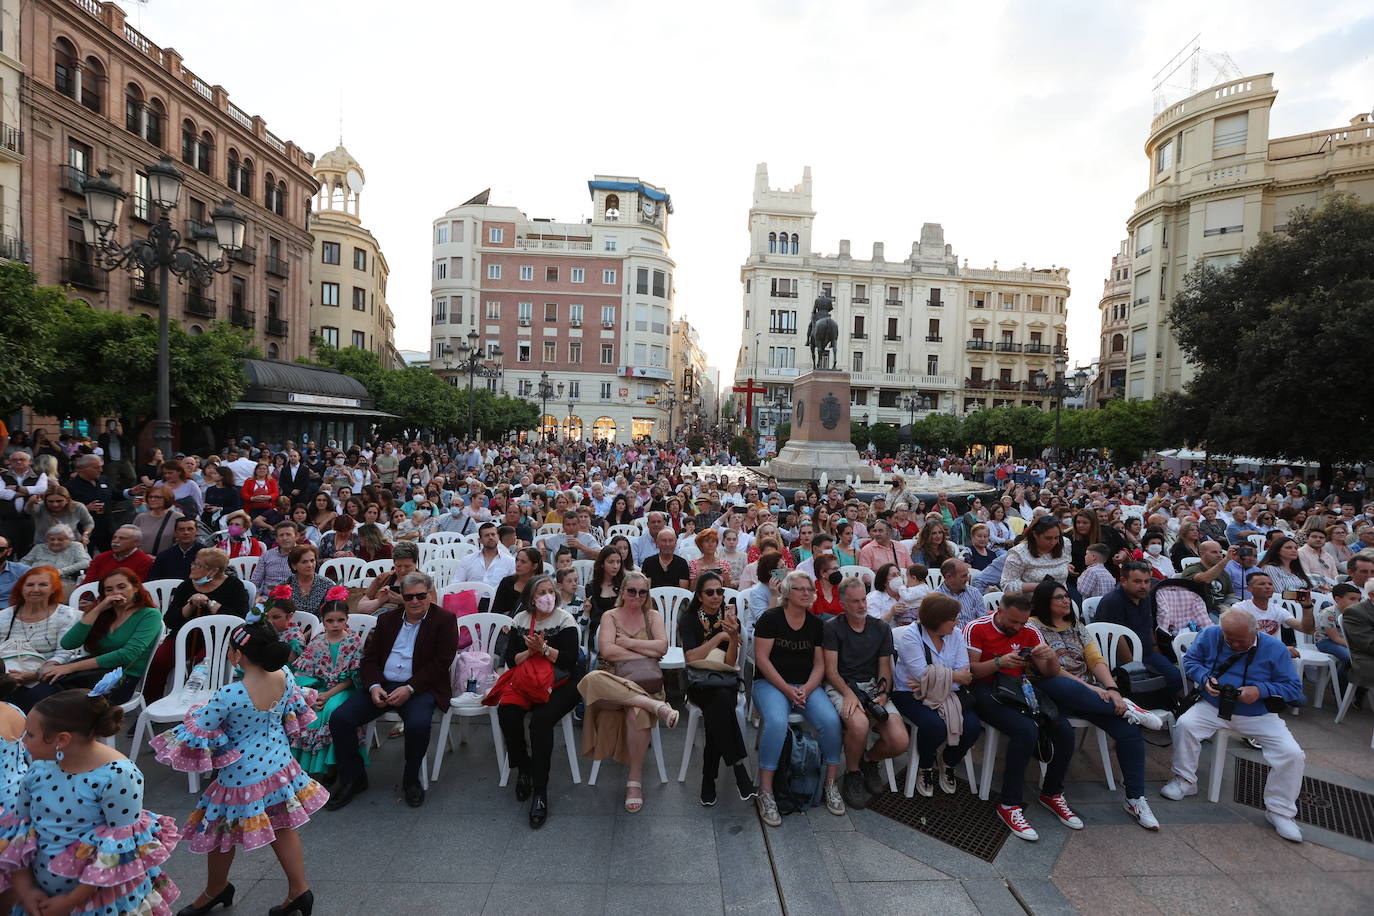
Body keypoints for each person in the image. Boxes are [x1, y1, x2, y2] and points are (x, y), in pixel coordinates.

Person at [152, 620, 324, 915]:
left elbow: (201, 729)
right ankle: (300, 890)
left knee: (220, 832)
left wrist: (197, 710)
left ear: (237, 655)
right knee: (283, 826)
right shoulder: (284, 674)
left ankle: (216, 890)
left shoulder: (230, 695)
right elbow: (290, 711)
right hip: (280, 766)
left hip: (241, 776)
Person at [2, 685, 180, 916]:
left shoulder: (118, 776)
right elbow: (21, 832)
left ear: (61, 740)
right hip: (43, 895)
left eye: (31, 734)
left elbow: (118, 849)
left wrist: (71, 901)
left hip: (101, 902)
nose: (23, 741)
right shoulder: (38, 770)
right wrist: (26, 892)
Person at [1028, 579, 1164, 830]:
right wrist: (1094, 689)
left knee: (1129, 732)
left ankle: (1135, 798)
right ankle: (1130, 709)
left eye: (1067, 596)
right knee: (1065, 687)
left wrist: (1111, 689)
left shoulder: (1077, 626)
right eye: (1059, 597)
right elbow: (1051, 671)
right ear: (1044, 602)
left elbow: (1095, 659)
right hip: (1052, 690)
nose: (1066, 600)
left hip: (1091, 696)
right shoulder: (1033, 627)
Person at [1162, 610, 1308, 842]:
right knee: (1185, 725)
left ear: (1255, 631)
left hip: (1258, 713)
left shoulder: (1275, 648)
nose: (1235, 644)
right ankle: (1184, 780)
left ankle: (1280, 811)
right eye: (1229, 638)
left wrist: (1261, 690)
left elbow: (1293, 688)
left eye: (1241, 639)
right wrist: (1204, 678)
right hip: (1213, 705)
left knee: (1292, 754)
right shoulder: (1211, 634)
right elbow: (1191, 661)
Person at [326, 571, 458, 810]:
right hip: (384, 684)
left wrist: (410, 688)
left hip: (420, 685)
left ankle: (410, 780)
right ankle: (353, 778)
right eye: (409, 597)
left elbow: (441, 663)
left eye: (420, 595)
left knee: (418, 725)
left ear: (429, 595)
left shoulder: (444, 619)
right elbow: (370, 659)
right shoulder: (388, 620)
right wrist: (374, 686)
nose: (415, 601)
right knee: (340, 719)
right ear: (401, 597)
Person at [964, 592, 1080, 842]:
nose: (1018, 628)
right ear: (1000, 611)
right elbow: (969, 672)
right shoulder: (977, 627)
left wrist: (1050, 658)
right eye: (1013, 622)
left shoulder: (1029, 630)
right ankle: (1009, 803)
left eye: (1022, 622)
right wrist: (998, 662)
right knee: (1026, 731)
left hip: (1018, 685)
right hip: (985, 687)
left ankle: (1052, 792)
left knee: (1065, 730)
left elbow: (1050, 673)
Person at [576, 570, 678, 814]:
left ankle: (634, 781)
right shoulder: (610, 616)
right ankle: (655, 707)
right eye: (631, 591)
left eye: (642, 592)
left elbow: (663, 646)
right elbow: (608, 653)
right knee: (591, 679)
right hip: (611, 680)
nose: (637, 596)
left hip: (647, 684)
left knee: (637, 710)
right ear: (622, 592)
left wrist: (628, 643)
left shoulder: (652, 615)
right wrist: (646, 651)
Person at [752, 571, 845, 827]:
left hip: (805, 685)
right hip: (771, 683)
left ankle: (829, 783)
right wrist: (786, 689)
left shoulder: (816, 625)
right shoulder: (771, 619)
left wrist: (806, 687)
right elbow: (761, 660)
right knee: (776, 722)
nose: (806, 593)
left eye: (809, 590)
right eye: (800, 589)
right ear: (786, 593)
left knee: (831, 721)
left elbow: (820, 665)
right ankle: (766, 791)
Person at [496, 575, 583, 829]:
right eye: (542, 592)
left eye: (550, 591)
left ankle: (540, 792)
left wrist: (544, 649)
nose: (548, 596)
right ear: (531, 599)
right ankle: (523, 767)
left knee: (540, 723)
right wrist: (531, 651)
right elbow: (512, 660)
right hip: (528, 680)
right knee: (507, 712)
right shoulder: (520, 621)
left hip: (562, 683)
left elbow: (569, 660)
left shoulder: (564, 619)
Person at [824, 578, 909, 810]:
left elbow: (884, 667)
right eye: (855, 602)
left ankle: (868, 760)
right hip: (842, 685)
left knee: (900, 741)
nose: (862, 605)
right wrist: (848, 693)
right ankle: (852, 773)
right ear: (843, 604)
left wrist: (883, 693)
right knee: (859, 724)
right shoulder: (832, 627)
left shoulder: (880, 628)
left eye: (863, 599)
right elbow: (831, 671)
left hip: (872, 686)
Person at [890, 593, 983, 797]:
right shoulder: (911, 636)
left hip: (947, 693)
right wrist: (951, 676)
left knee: (974, 727)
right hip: (910, 693)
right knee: (934, 726)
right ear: (937, 619)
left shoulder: (956, 634)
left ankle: (948, 761)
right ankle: (925, 765)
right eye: (952, 618)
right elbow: (920, 675)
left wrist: (934, 678)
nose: (957, 622)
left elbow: (965, 674)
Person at [678, 572, 754, 807]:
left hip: (724, 678)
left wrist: (732, 637)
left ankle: (709, 778)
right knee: (720, 705)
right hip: (699, 680)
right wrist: (719, 635)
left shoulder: (730, 618)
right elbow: (691, 657)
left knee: (717, 710)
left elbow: (731, 663)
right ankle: (739, 767)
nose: (716, 596)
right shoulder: (689, 620)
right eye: (709, 592)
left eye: (720, 591)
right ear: (699, 596)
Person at [36, 568, 160, 705]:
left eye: (122, 587)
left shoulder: (149, 615)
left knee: (55, 700)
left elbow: (127, 655)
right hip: (90, 672)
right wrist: (98, 609)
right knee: (42, 690)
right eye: (109, 590)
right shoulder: (104, 614)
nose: (116, 593)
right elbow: (68, 643)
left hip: (120, 679)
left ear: (135, 588)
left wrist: (69, 667)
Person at [145, 548, 250, 704]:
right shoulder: (186, 586)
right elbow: (170, 620)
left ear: (214, 570)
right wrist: (191, 604)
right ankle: (151, 703)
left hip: (217, 639)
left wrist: (210, 602)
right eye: (194, 563)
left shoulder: (234, 586)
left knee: (202, 666)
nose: (192, 567)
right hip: (184, 635)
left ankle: (196, 708)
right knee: (159, 661)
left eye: (199, 565)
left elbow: (239, 618)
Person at [290, 593, 366, 785]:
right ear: (323, 621)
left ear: (347, 619)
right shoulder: (317, 641)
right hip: (320, 688)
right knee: (308, 711)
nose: (335, 624)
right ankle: (309, 767)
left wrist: (328, 694)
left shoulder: (353, 642)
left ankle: (333, 766)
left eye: (340, 620)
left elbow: (351, 679)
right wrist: (314, 694)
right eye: (330, 620)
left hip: (343, 690)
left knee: (331, 710)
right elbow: (305, 673)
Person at [1092, 562, 1184, 696]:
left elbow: (1149, 624)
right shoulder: (1112, 601)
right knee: (1142, 685)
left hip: (1147, 654)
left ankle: (1159, 705)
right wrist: (1134, 666)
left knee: (1176, 678)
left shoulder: (1144, 597)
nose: (1143, 586)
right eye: (1137, 581)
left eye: (1147, 581)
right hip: (1120, 659)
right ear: (1123, 580)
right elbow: (1115, 638)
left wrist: (1155, 647)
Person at [0, 567, 82, 710]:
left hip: (48, 674)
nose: (35, 589)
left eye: (43, 585)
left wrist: (36, 674)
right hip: (6, 675)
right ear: (21, 589)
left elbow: (64, 653)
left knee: (33, 701)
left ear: (53, 589)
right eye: (29, 585)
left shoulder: (66, 615)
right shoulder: (5, 616)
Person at [65, 454, 128, 552]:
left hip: (107, 528)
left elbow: (115, 495)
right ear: (82, 468)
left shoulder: (104, 480)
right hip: (84, 531)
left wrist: (131, 492)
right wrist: (85, 508)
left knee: (112, 558)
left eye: (101, 467)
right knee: (86, 561)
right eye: (96, 467)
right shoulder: (70, 486)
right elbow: (64, 509)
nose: (101, 470)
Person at [1001, 516, 1070, 595]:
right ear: (1035, 534)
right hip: (1030, 603)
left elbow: (1066, 561)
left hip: (1062, 600)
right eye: (1048, 538)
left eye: (1056, 537)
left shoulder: (1065, 544)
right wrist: (1040, 586)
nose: (1053, 542)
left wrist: (1067, 566)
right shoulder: (1019, 553)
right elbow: (1007, 585)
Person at [0, 451, 49, 558]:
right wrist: (27, 493)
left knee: (28, 553)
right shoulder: (2, 475)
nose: (18, 462)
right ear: (9, 462)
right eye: (14, 460)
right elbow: (1, 493)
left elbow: (42, 489)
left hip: (31, 520)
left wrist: (16, 488)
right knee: (7, 552)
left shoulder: (40, 474)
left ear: (30, 461)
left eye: (22, 459)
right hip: (8, 520)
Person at [21, 524, 90, 595]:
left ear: (69, 539)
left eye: (60, 539)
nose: (55, 542)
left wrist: (60, 572)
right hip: (36, 582)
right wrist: (34, 573)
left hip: (63, 583)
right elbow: (23, 563)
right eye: (52, 539)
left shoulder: (75, 546)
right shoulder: (39, 548)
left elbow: (85, 563)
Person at [81, 524, 154, 585]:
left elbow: (138, 588)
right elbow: (87, 582)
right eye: (114, 537)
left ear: (136, 542)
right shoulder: (101, 558)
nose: (115, 541)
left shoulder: (145, 561)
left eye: (122, 538)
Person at [24, 486, 94, 549]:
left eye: (59, 501)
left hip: (72, 545)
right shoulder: (41, 506)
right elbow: (29, 511)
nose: (55, 504)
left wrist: (85, 534)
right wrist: (31, 502)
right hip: (44, 546)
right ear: (45, 500)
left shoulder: (78, 507)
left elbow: (88, 523)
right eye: (51, 501)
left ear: (67, 500)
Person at [584, 545, 625, 653]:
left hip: (624, 629)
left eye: (618, 562)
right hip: (600, 630)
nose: (615, 566)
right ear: (602, 564)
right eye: (611, 562)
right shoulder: (591, 587)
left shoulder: (625, 585)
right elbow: (595, 616)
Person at [1180, 541, 1238, 615]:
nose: (1219, 555)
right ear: (1202, 554)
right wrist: (1226, 560)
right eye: (1214, 552)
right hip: (1201, 611)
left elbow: (1230, 595)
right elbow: (1206, 579)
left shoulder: (1223, 573)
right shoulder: (1192, 569)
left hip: (1222, 609)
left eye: (1220, 552)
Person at [283, 544, 335, 620]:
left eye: (312, 560)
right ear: (294, 565)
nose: (310, 565)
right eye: (304, 562)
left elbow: (331, 614)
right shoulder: (286, 585)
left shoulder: (327, 585)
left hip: (321, 627)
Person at [148, 516, 208, 582]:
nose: (186, 532)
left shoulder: (207, 554)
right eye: (181, 529)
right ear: (175, 532)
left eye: (190, 529)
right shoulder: (164, 556)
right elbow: (153, 581)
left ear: (197, 531)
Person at [131, 485, 183, 557]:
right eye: (150, 497)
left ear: (167, 498)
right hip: (142, 560)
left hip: (165, 560)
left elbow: (181, 542)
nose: (152, 499)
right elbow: (132, 540)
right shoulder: (141, 517)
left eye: (157, 497)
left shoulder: (177, 517)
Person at [457, 523, 515, 588]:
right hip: (473, 596)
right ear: (480, 540)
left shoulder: (510, 561)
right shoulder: (468, 560)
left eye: (493, 534)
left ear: (498, 537)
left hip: (498, 597)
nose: (491, 537)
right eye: (487, 535)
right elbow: (456, 582)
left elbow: (513, 586)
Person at [491, 547, 543, 618]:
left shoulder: (541, 586)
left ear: (534, 566)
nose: (518, 564)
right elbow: (496, 611)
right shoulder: (506, 582)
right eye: (517, 560)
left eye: (523, 562)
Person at [251, 521, 300, 594]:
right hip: (267, 599)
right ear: (276, 539)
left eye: (288, 534)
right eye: (281, 535)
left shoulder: (303, 555)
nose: (284, 538)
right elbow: (255, 582)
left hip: (294, 599)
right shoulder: (267, 555)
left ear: (296, 536)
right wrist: (257, 597)